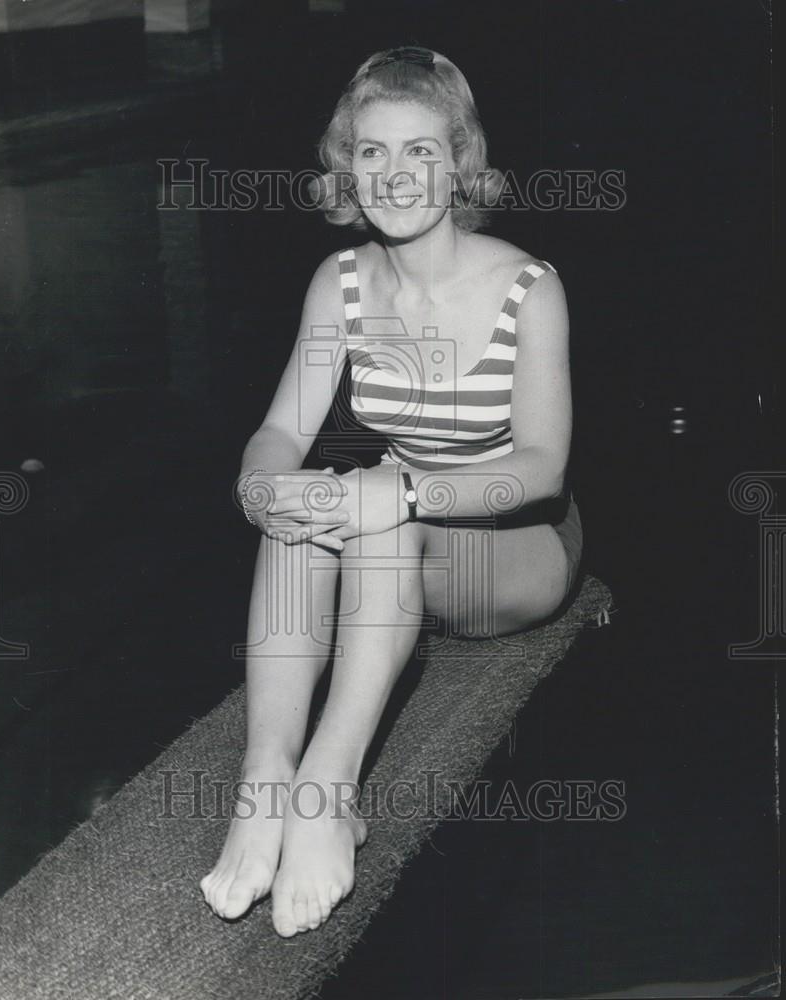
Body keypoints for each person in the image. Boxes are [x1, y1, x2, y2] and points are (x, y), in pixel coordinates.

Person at [200, 45, 583, 938]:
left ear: (461, 165)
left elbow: (542, 468)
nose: (398, 174)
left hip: (514, 545)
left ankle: (330, 792)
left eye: (421, 151)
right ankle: (267, 782)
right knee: (311, 498)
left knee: (370, 496)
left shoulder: (529, 288)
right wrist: (263, 486)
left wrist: (401, 492)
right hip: (397, 538)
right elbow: (283, 431)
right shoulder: (338, 284)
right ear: (348, 169)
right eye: (373, 152)